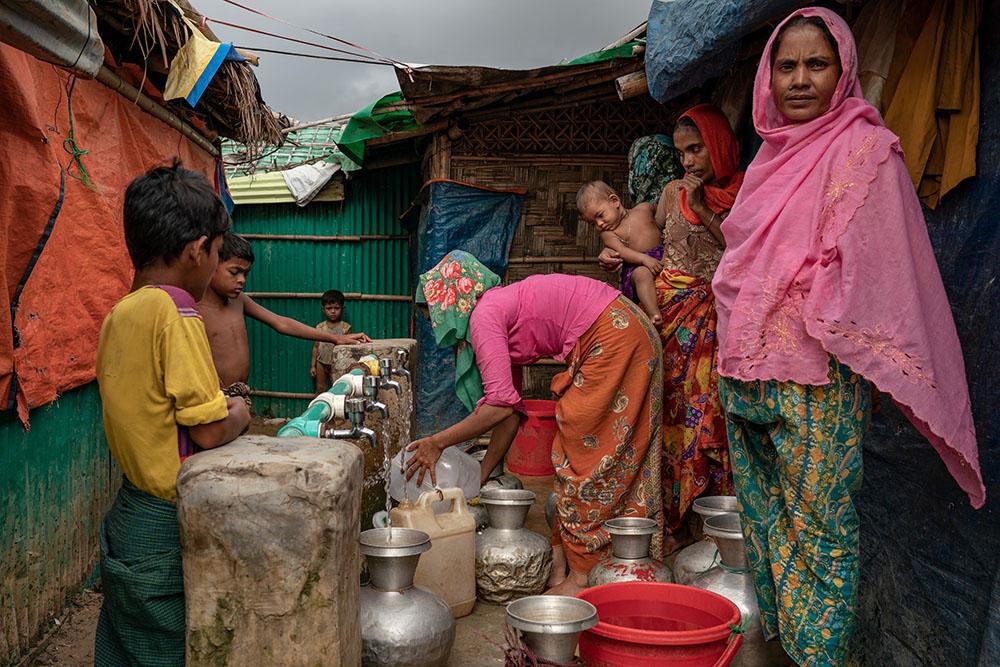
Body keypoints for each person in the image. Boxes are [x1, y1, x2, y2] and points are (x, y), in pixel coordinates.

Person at [712, 8, 985, 665]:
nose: (800, 79)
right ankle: (789, 650)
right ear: (766, 79)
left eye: (817, 64)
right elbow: (743, 261)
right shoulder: (766, 164)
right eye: (787, 66)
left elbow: (880, 265)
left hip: (816, 379)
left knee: (820, 527)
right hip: (743, 373)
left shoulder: (866, 150)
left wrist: (811, 302)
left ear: (843, 72)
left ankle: (820, 659)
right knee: (767, 523)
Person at [404, 251, 663, 596]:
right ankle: (564, 566)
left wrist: (437, 442)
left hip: (614, 334)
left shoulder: (484, 316)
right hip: (623, 325)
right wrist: (478, 480)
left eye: (433, 312)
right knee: (586, 453)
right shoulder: (495, 309)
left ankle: (584, 576)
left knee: (585, 455)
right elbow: (510, 411)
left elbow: (498, 406)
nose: (435, 324)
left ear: (453, 300)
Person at [94, 163, 251, 666]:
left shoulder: (120, 313)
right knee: (167, 648)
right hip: (166, 519)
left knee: (122, 645)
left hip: (129, 512)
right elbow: (206, 430)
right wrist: (241, 414)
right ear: (195, 250)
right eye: (216, 253)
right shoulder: (178, 310)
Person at [604, 104, 745, 550]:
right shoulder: (669, 193)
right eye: (682, 152)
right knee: (667, 416)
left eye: (696, 149)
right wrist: (616, 254)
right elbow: (650, 240)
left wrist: (703, 208)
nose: (688, 161)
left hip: (717, 324)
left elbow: (741, 249)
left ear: (719, 145)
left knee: (709, 420)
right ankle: (671, 524)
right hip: (670, 318)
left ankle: (711, 528)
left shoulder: (746, 191)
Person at [198, 232, 370, 401]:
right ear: (211, 264)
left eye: (246, 274)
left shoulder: (239, 301)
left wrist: (335, 338)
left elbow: (281, 323)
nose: (242, 280)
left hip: (241, 394)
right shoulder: (196, 307)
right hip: (213, 397)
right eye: (234, 272)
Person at [577, 181, 664, 325]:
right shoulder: (609, 234)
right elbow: (622, 251)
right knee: (642, 274)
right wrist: (644, 259)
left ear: (614, 201)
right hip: (636, 266)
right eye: (593, 223)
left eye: (600, 215)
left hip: (662, 255)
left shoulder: (644, 209)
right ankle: (654, 315)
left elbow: (663, 211)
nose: (599, 224)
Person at [311, 289, 353, 392]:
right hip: (321, 363)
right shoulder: (320, 327)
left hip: (338, 363)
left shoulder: (345, 328)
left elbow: (348, 349)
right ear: (323, 309)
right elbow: (316, 346)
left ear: (342, 309)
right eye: (329, 308)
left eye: (336, 308)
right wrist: (313, 366)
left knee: (338, 388)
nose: (333, 311)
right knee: (320, 388)